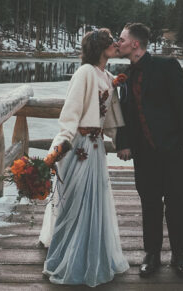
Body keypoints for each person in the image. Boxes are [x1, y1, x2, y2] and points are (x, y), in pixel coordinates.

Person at [39, 28, 130, 287]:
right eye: (110, 42)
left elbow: (110, 118)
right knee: (75, 202)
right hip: (79, 146)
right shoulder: (85, 73)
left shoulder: (108, 75)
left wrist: (121, 143)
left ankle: (90, 257)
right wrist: (60, 145)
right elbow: (70, 113)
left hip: (97, 147)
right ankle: (64, 260)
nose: (115, 45)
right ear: (101, 48)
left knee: (94, 202)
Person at [114, 22, 183, 278]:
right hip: (144, 153)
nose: (119, 43)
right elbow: (126, 114)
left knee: (176, 204)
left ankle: (179, 256)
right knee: (149, 203)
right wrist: (124, 143)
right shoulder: (125, 76)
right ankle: (152, 255)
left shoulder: (167, 66)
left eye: (122, 39)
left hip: (174, 149)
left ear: (135, 44)